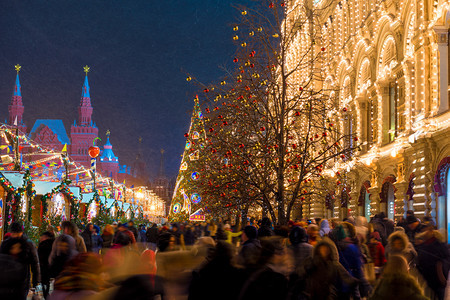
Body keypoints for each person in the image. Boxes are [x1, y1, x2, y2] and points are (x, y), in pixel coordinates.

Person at [0, 222, 41, 300]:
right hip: (6, 282)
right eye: (13, 233)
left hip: (21, 282)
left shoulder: (28, 244)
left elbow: (35, 264)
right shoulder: (6, 243)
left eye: (17, 233)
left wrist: (36, 284)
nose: (15, 236)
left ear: (21, 232)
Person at [415, 225, 449, 300]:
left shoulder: (439, 244)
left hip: (437, 277)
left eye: (429, 230)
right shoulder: (423, 245)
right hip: (428, 277)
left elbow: (446, 258)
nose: (426, 232)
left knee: (439, 294)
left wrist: (441, 270)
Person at [38, 231, 55, 299]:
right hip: (52, 267)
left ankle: (46, 295)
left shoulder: (42, 245)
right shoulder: (55, 244)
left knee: (45, 282)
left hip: (44, 266)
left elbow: (39, 256)